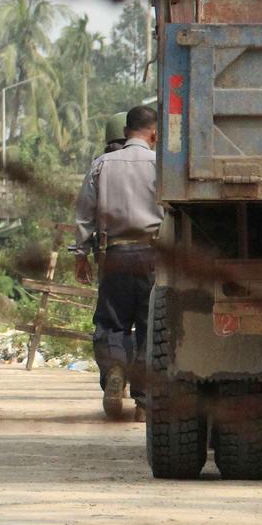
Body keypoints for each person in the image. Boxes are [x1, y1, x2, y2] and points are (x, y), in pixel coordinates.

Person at [72, 104, 162, 417]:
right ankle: (143, 399)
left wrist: (81, 254)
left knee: (112, 322)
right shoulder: (160, 165)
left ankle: (114, 371)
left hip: (113, 254)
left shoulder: (101, 165)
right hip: (152, 254)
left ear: (125, 133)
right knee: (150, 326)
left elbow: (84, 213)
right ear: (155, 133)